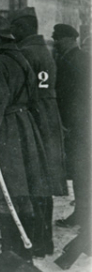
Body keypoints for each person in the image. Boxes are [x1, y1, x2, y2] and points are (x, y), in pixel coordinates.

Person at [0, 16, 51, 262]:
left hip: (6, 133)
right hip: (24, 128)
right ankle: (27, 247)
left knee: (7, 192)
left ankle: (12, 251)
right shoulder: (22, 60)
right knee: (22, 191)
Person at [9, 8, 67, 257]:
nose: (12, 34)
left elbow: (22, 91)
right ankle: (46, 240)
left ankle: (35, 240)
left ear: (23, 28)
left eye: (15, 29)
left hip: (34, 117)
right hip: (49, 116)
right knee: (44, 182)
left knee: (34, 180)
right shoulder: (45, 50)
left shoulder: (25, 53)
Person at [53, 24, 90, 232]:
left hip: (78, 125)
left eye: (57, 38)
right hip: (80, 123)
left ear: (68, 39)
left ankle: (83, 214)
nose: (55, 42)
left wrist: (68, 124)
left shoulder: (74, 59)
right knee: (80, 169)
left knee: (80, 169)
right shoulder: (77, 57)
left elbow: (75, 97)